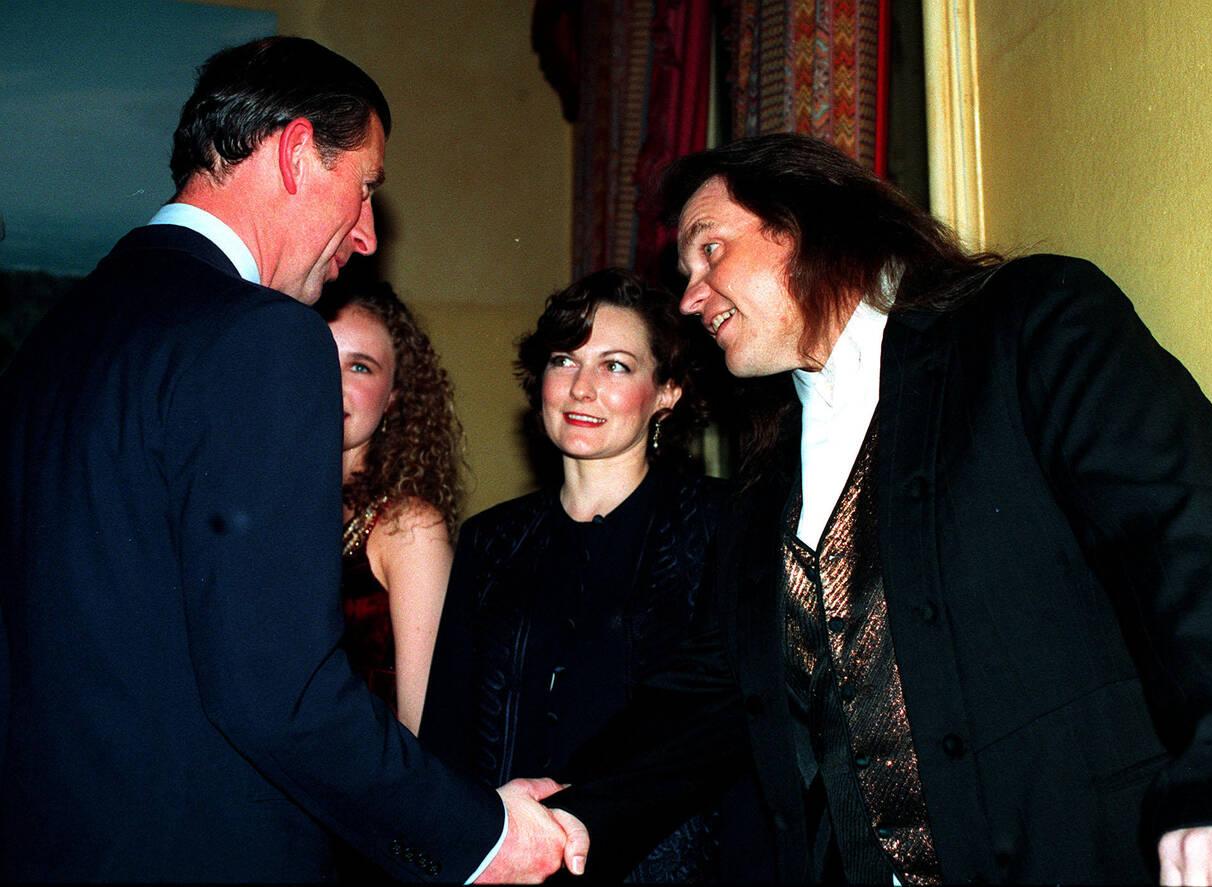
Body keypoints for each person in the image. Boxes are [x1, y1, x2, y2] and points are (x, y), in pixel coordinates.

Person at [541, 133, 1212, 885]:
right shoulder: (761, 487)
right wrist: (569, 812)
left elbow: (1187, 534)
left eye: (709, 251)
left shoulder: (1027, 323)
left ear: (807, 221)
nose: (690, 296)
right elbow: (710, 698)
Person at [0, 36, 584, 882]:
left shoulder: (52, 341)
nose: (369, 234)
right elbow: (278, 691)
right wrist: (484, 833)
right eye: (367, 188)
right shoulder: (262, 336)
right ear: (298, 151)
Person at [421, 268, 743, 881]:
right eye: (565, 361)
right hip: (509, 867)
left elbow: (719, 734)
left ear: (667, 391)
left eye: (616, 366)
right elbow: (447, 738)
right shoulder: (490, 542)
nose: (581, 389)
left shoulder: (724, 527)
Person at [320, 283, 463, 735]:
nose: (332, 382)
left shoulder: (409, 527)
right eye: (317, 355)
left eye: (359, 367)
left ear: (394, 396)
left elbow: (426, 730)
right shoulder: (265, 511)